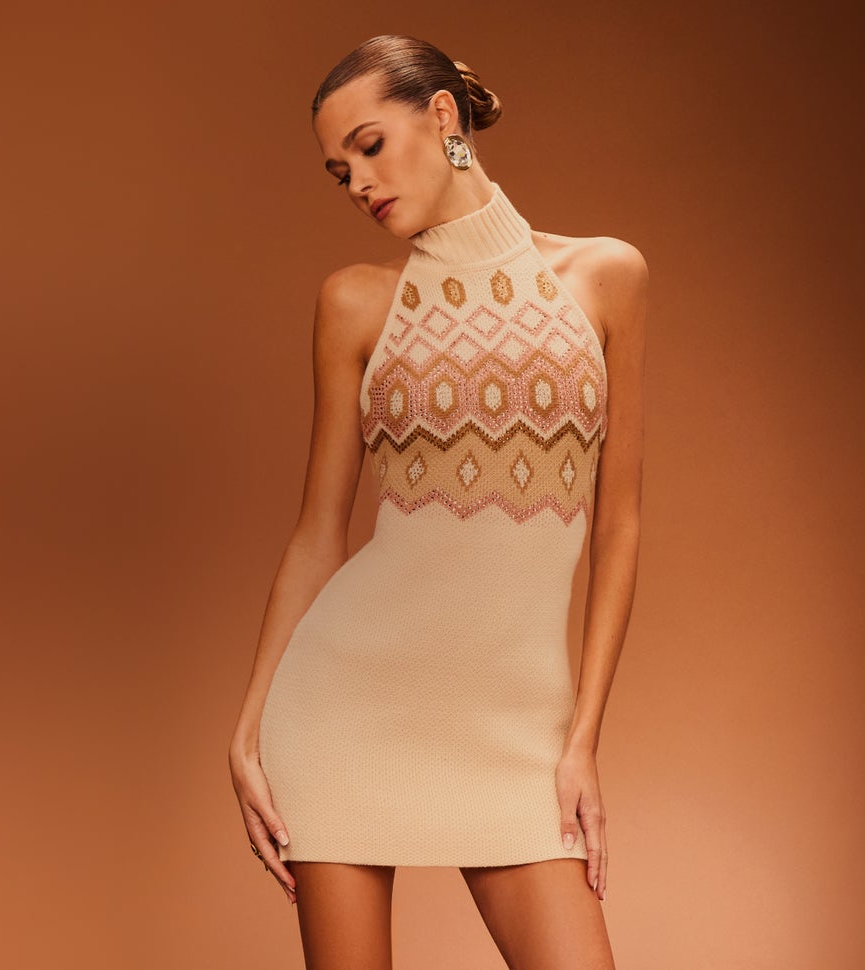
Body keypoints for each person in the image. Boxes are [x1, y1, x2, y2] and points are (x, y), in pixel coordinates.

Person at [224, 35, 649, 969]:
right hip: (346, 709)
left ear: (443, 118)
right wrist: (250, 727)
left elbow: (618, 528)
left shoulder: (606, 278)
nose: (356, 183)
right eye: (339, 171)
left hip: (516, 729)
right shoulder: (356, 305)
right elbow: (317, 534)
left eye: (370, 147)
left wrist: (580, 743)